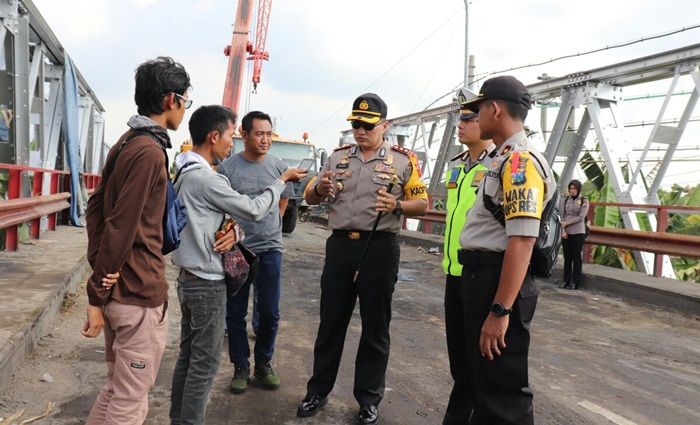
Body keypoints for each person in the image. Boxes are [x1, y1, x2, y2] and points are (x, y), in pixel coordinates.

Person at [168, 105, 307, 424]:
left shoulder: (185, 171)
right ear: (214, 136)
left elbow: (220, 216)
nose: (230, 142)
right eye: (230, 135)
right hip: (205, 282)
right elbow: (255, 209)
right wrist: (281, 181)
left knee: (188, 360)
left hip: (189, 278)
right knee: (203, 365)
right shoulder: (209, 177)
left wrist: (232, 230)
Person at [297, 93, 428, 425]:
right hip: (341, 247)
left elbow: (422, 204)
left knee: (375, 328)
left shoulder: (403, 160)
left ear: (385, 125)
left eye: (368, 126)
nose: (360, 131)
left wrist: (396, 206)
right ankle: (318, 391)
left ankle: (369, 399)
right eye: (356, 124)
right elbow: (309, 196)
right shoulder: (338, 157)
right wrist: (320, 189)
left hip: (380, 248)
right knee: (331, 323)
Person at [83, 56, 191, 425]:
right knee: (130, 402)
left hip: (119, 295)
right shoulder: (149, 152)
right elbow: (121, 224)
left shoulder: (127, 140)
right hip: (137, 295)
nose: (183, 111)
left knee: (115, 389)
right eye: (185, 102)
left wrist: (100, 278)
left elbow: (95, 207)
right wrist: (98, 283)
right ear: (169, 101)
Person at [458, 76, 555, 424]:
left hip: (495, 281)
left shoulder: (519, 164)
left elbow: (523, 239)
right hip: (482, 276)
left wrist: (500, 311)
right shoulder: (503, 159)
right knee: (483, 384)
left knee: (501, 395)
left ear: (494, 109)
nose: (473, 117)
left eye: (478, 109)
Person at [217, 110, 293, 394]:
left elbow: (284, 197)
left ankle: (263, 363)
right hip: (238, 250)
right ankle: (240, 366)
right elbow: (221, 208)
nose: (265, 140)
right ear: (244, 135)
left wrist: (272, 224)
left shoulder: (278, 166)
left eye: (268, 134)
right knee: (235, 313)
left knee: (270, 312)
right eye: (259, 133)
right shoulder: (228, 169)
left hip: (271, 249)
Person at [441, 92, 495, 425]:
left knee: (480, 364)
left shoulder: (498, 165)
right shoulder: (457, 165)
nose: (460, 125)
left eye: (468, 119)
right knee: (459, 362)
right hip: (454, 273)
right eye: (459, 119)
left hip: (481, 276)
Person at [560, 179, 589, 290]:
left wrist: (567, 223)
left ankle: (575, 282)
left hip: (578, 231)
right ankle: (566, 281)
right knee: (567, 257)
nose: (572, 191)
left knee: (576, 257)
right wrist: (563, 230)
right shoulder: (565, 199)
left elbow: (581, 217)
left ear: (578, 189)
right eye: (570, 189)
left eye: (574, 189)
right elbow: (562, 215)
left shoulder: (584, 200)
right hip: (566, 231)